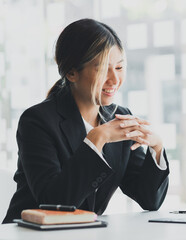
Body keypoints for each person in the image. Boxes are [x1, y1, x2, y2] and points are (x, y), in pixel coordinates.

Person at [2, 18, 169, 223]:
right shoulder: (36, 121)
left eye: (119, 68)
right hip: (30, 233)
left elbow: (149, 199)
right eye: (102, 69)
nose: (114, 80)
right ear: (72, 72)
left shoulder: (119, 118)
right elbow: (54, 201)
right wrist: (96, 139)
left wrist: (157, 149)